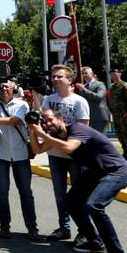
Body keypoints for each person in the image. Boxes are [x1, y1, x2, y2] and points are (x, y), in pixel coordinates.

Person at [28, 109, 127, 253]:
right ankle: (95, 242)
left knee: (94, 206)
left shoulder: (77, 129)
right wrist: (32, 131)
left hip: (114, 171)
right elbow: (37, 150)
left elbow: (69, 148)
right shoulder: (54, 136)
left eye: (50, 120)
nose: (47, 124)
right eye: (44, 122)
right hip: (95, 172)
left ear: (60, 119)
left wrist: (42, 134)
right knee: (71, 202)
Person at [0, 80, 42, 241]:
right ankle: (4, 225)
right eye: (1, 86)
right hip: (0, 153)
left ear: (13, 88)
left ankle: (32, 227)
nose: (3, 89)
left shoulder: (22, 105)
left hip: (20, 154)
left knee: (26, 192)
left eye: (6, 86)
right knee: (1, 191)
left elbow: (15, 121)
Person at [41, 64, 90, 242]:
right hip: (55, 154)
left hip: (75, 156)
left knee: (78, 193)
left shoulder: (79, 101)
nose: (55, 79)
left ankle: (84, 231)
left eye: (59, 76)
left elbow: (84, 129)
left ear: (70, 80)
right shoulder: (48, 99)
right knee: (60, 193)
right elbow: (43, 124)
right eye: (54, 76)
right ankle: (64, 228)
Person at [108, 68, 127, 160]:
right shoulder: (112, 87)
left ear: (120, 74)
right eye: (111, 74)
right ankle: (125, 152)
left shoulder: (125, 86)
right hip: (116, 116)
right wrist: (111, 110)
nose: (113, 76)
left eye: (115, 74)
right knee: (120, 135)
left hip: (124, 115)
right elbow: (111, 100)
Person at [75, 67, 109, 133]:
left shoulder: (99, 84)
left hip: (99, 117)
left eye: (85, 73)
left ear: (92, 74)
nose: (84, 75)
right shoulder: (83, 86)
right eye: (82, 74)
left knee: (100, 140)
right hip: (87, 117)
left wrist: (84, 90)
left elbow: (99, 96)